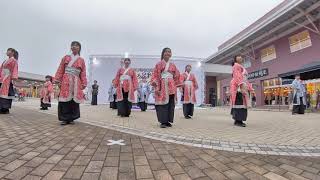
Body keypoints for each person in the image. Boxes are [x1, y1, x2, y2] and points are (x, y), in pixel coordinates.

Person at [54, 41, 87, 125]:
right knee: (65, 99)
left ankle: (72, 118)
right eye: (73, 45)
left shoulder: (81, 60)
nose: (74, 47)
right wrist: (58, 79)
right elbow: (60, 69)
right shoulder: (65, 58)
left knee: (73, 100)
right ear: (71, 47)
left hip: (76, 81)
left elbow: (83, 73)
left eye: (76, 45)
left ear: (79, 48)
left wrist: (84, 83)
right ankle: (65, 118)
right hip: (66, 80)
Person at [151, 47, 181, 128]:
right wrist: (156, 86)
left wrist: (177, 83)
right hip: (162, 85)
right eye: (166, 51)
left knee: (171, 103)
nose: (168, 53)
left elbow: (177, 75)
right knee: (162, 104)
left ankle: (168, 121)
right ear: (163, 53)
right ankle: (163, 122)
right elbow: (156, 75)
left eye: (169, 52)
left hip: (171, 86)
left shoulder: (173, 65)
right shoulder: (159, 64)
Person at [230, 55, 254, 127]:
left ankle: (237, 120)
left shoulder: (241, 67)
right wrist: (241, 84)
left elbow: (246, 79)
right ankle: (238, 121)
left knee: (241, 105)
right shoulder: (236, 66)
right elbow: (237, 76)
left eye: (241, 56)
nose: (240, 57)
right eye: (238, 56)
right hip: (238, 87)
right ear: (235, 59)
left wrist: (250, 88)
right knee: (239, 104)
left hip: (243, 85)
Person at [0, 48, 18, 114]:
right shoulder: (5, 60)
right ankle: (2, 107)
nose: (7, 52)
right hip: (2, 78)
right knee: (2, 94)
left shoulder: (14, 60)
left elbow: (15, 69)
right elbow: (1, 69)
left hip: (8, 78)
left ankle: (5, 109)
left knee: (7, 94)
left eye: (8, 50)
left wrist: (13, 78)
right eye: (7, 50)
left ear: (12, 52)